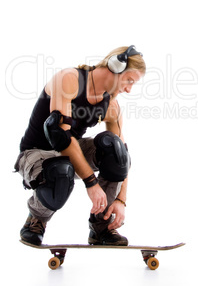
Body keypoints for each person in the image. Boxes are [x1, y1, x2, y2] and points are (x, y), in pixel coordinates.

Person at [14, 45, 146, 246]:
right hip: (36, 153)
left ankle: (101, 226)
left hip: (69, 153)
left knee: (115, 150)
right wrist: (91, 183)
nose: (129, 89)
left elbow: (123, 158)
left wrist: (121, 199)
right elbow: (60, 136)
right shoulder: (69, 79)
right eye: (129, 80)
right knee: (60, 171)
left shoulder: (111, 106)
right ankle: (36, 220)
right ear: (116, 66)